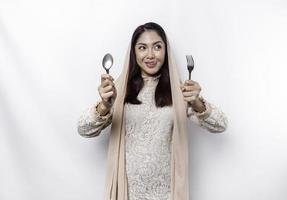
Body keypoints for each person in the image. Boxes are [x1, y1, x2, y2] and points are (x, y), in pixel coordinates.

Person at [77, 22, 228, 200]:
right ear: (134, 52)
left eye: (157, 47)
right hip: (127, 192)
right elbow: (84, 129)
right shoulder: (118, 89)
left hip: (167, 193)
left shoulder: (179, 92)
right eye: (142, 48)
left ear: (166, 51)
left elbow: (221, 125)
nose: (150, 55)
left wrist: (196, 103)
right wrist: (104, 105)